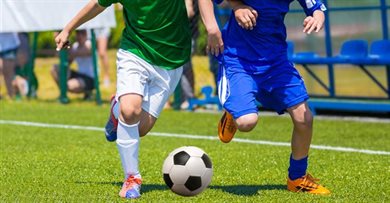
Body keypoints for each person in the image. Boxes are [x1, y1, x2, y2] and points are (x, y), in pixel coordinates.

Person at [55, 0, 191, 199]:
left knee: (141, 128)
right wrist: (68, 29)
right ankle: (132, 178)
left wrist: (212, 27)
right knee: (130, 111)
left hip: (171, 60)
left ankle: (115, 111)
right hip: (134, 52)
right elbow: (96, 4)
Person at [199, 0, 330, 194]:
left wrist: (317, 16)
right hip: (239, 61)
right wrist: (217, 24)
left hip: (276, 63)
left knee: (304, 118)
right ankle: (234, 111)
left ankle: (297, 178)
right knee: (246, 122)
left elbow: (316, 7)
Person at [52, 30, 95, 100]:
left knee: (69, 85)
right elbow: (68, 62)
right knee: (55, 68)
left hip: (90, 78)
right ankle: (63, 94)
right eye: (77, 33)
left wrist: (64, 41)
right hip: (79, 75)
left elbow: (82, 52)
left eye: (81, 33)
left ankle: (88, 93)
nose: (79, 36)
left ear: (85, 34)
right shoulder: (76, 45)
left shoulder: (89, 44)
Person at [0, 33, 20, 99]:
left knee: (8, 72)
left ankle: (12, 95)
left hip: (9, 45)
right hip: (5, 44)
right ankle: (11, 95)